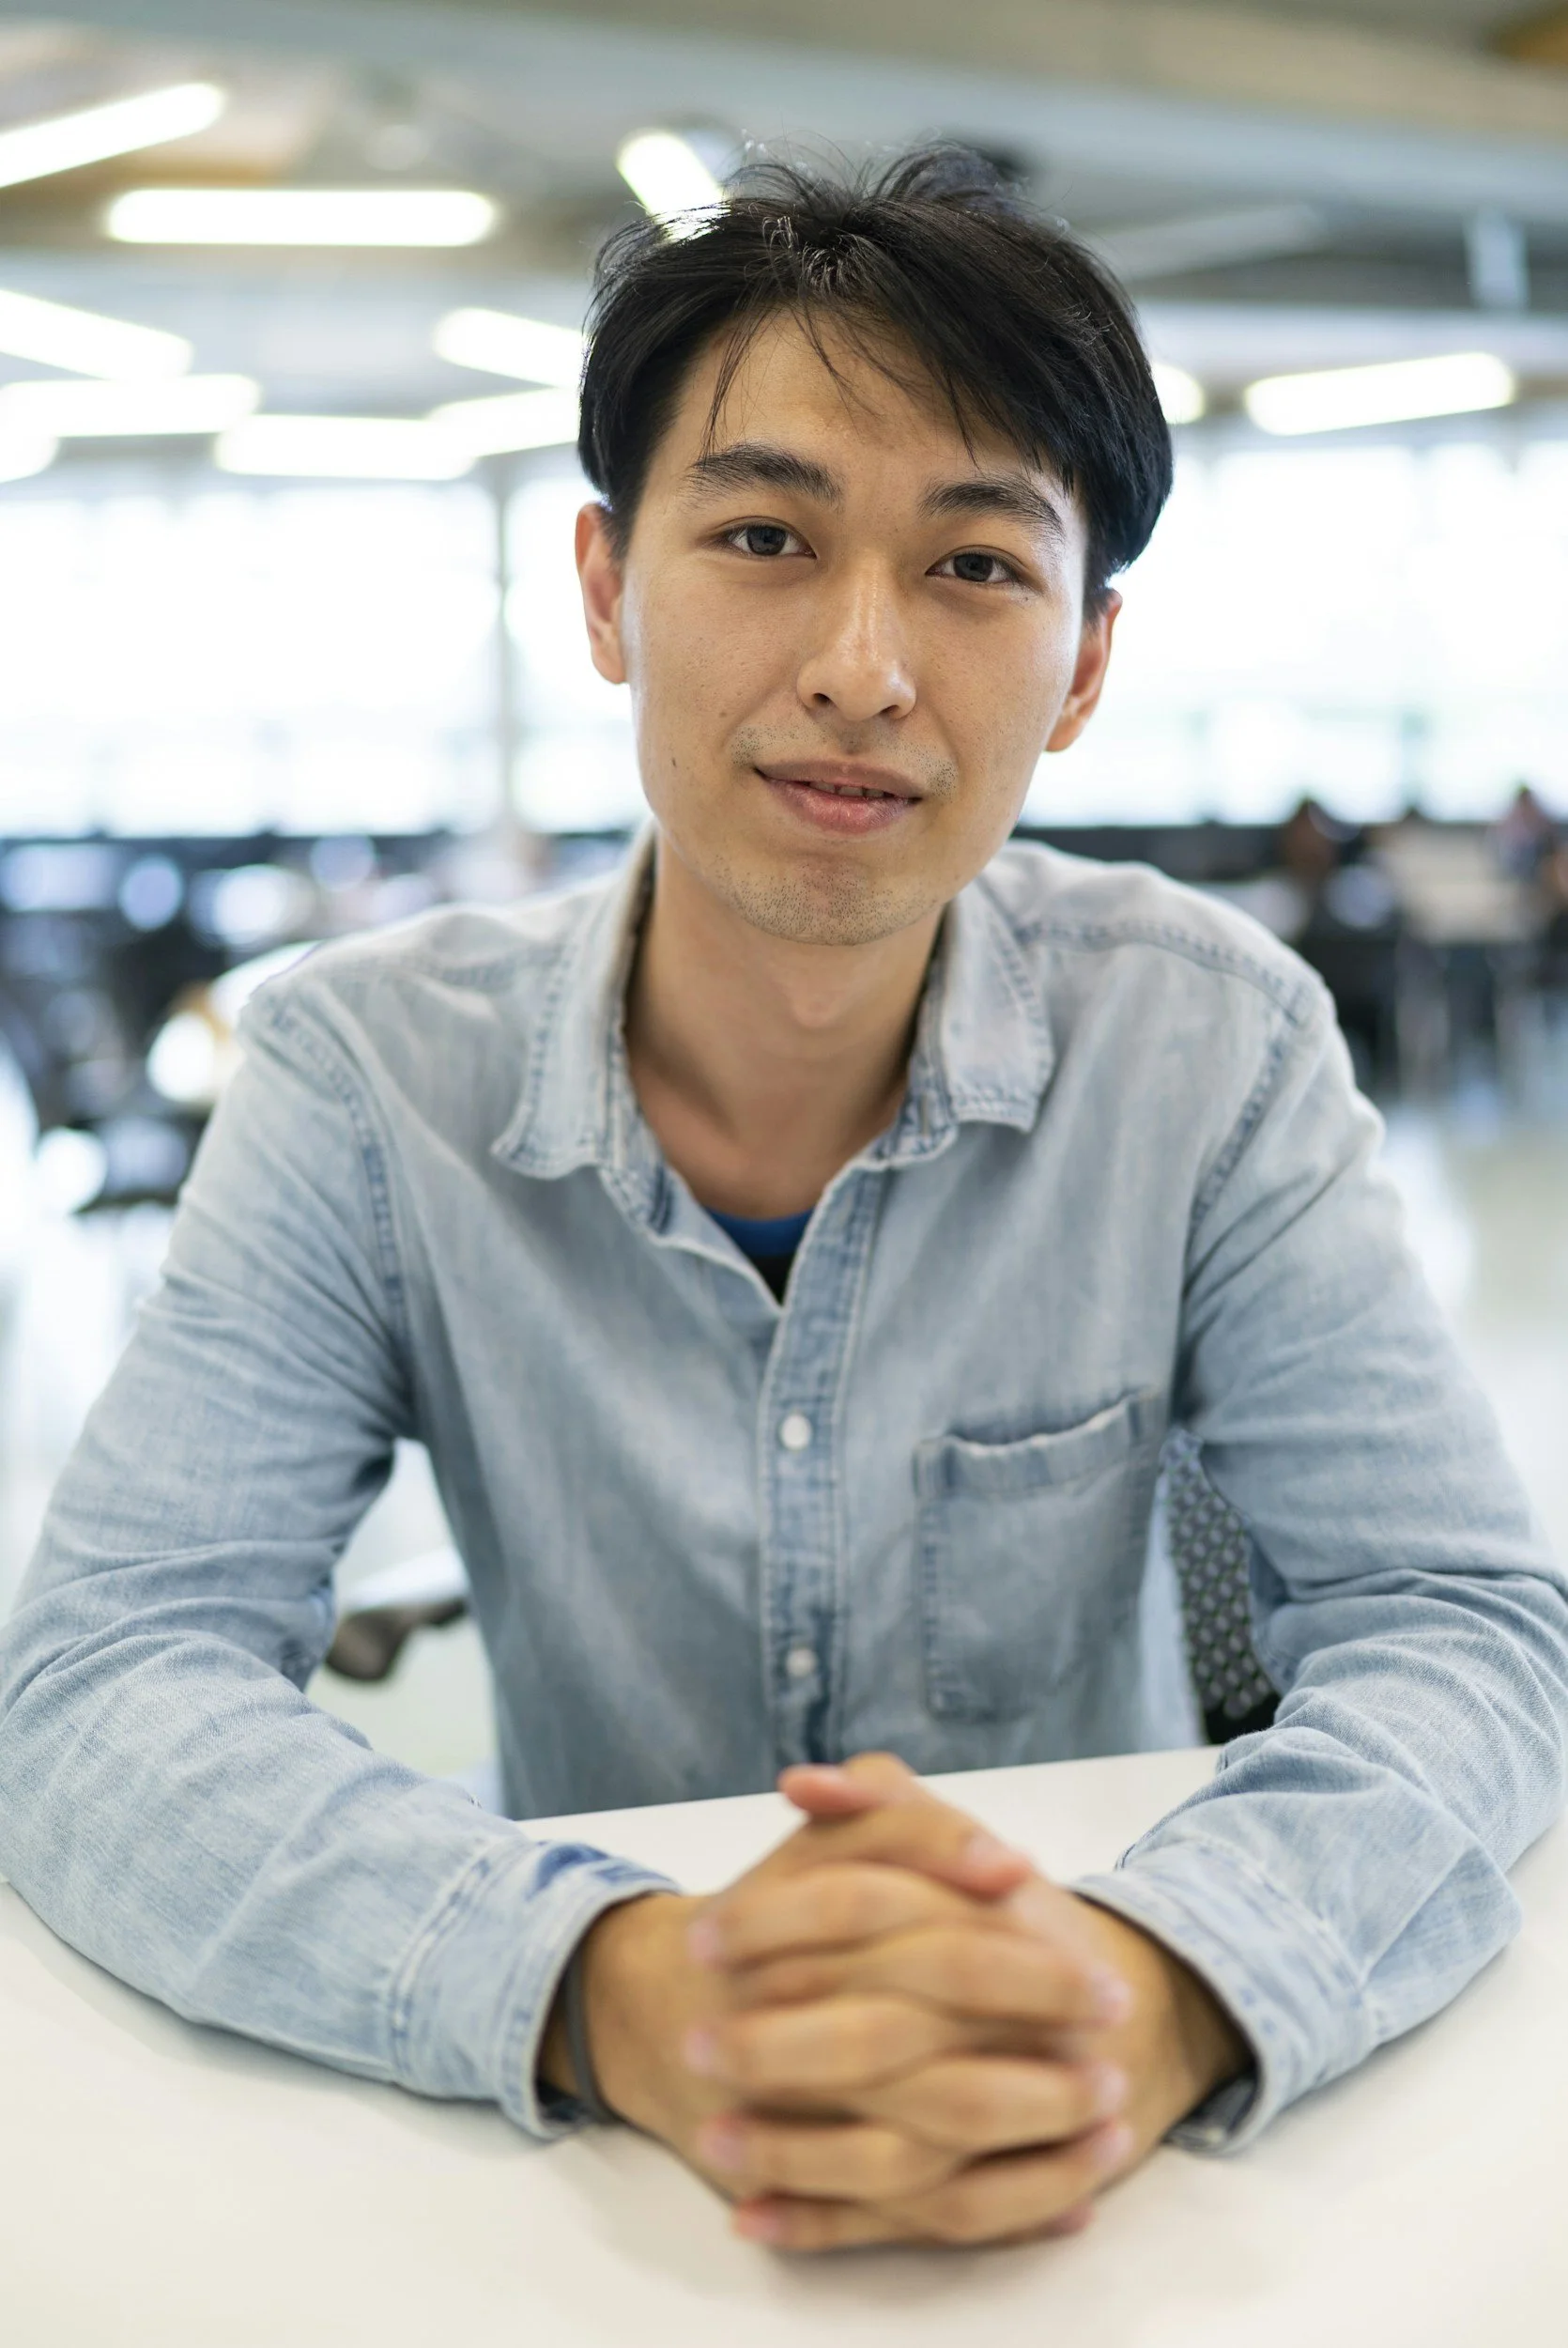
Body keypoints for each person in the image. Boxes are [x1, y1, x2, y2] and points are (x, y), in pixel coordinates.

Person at [1, 147, 1564, 2256]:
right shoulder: (368, 1075)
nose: (860, 666)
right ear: (602, 585)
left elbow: (1457, 1622)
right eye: (761, 533)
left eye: (974, 569)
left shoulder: (1207, 1047)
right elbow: (106, 1675)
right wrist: (609, 1980)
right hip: (599, 2181)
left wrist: (1173, 1976)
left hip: (1111, 2166)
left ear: (1086, 663)